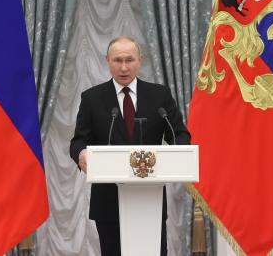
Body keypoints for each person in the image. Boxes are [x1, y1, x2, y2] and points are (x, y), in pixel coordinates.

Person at [70, 36, 191, 256]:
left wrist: (177, 154)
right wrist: (81, 153)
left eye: (129, 59)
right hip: (108, 202)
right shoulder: (92, 98)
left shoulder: (159, 95)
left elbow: (179, 134)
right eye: (117, 60)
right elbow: (78, 140)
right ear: (107, 60)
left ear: (140, 61)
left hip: (149, 201)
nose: (124, 67)